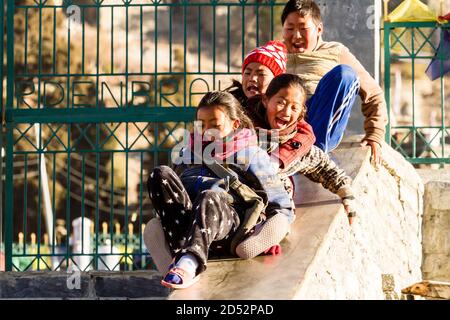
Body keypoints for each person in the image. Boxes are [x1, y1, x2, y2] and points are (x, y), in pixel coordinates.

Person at [145, 91, 294, 289]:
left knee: (210, 195)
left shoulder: (251, 154)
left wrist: (270, 232)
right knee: (160, 174)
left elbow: (281, 203)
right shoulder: (187, 153)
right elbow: (174, 196)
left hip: (229, 225)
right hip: (191, 228)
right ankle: (179, 254)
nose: (207, 132)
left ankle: (189, 262)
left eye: (215, 125)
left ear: (234, 125)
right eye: (201, 125)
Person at [236, 73, 356, 258]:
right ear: (266, 100)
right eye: (281, 102)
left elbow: (323, 166)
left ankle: (273, 227)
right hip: (239, 194)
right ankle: (253, 228)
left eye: (294, 107)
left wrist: (345, 192)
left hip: (272, 204)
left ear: (301, 112)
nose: (286, 112)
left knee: (281, 184)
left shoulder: (295, 143)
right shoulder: (244, 129)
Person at [281, 0, 388, 164]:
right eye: (290, 29)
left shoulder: (335, 52)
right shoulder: (275, 53)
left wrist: (375, 134)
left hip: (318, 124)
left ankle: (314, 149)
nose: (296, 36)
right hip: (283, 125)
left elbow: (374, 94)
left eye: (303, 29)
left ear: (319, 29)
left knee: (345, 75)